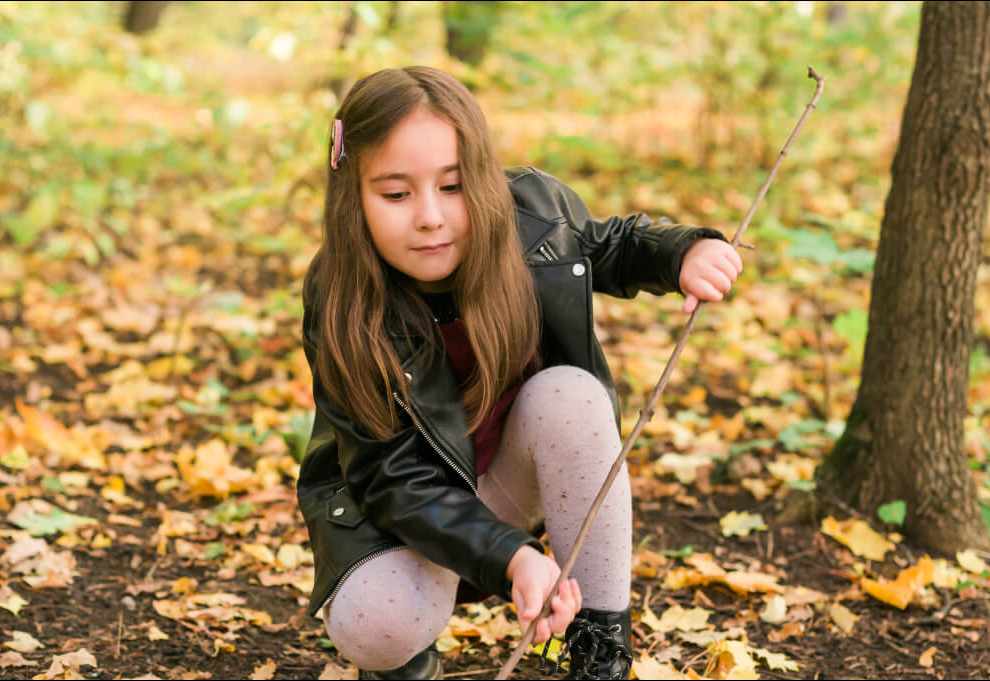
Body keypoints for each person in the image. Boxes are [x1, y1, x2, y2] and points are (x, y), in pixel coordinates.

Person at [297, 66, 741, 680]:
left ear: (479, 177)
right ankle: (409, 647)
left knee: (572, 395)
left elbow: (608, 245)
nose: (429, 216)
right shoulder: (343, 295)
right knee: (377, 623)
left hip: (510, 482)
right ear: (354, 198)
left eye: (451, 186)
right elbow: (393, 479)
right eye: (396, 195)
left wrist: (682, 253)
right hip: (401, 517)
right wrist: (510, 557)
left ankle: (599, 646)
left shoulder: (533, 213)